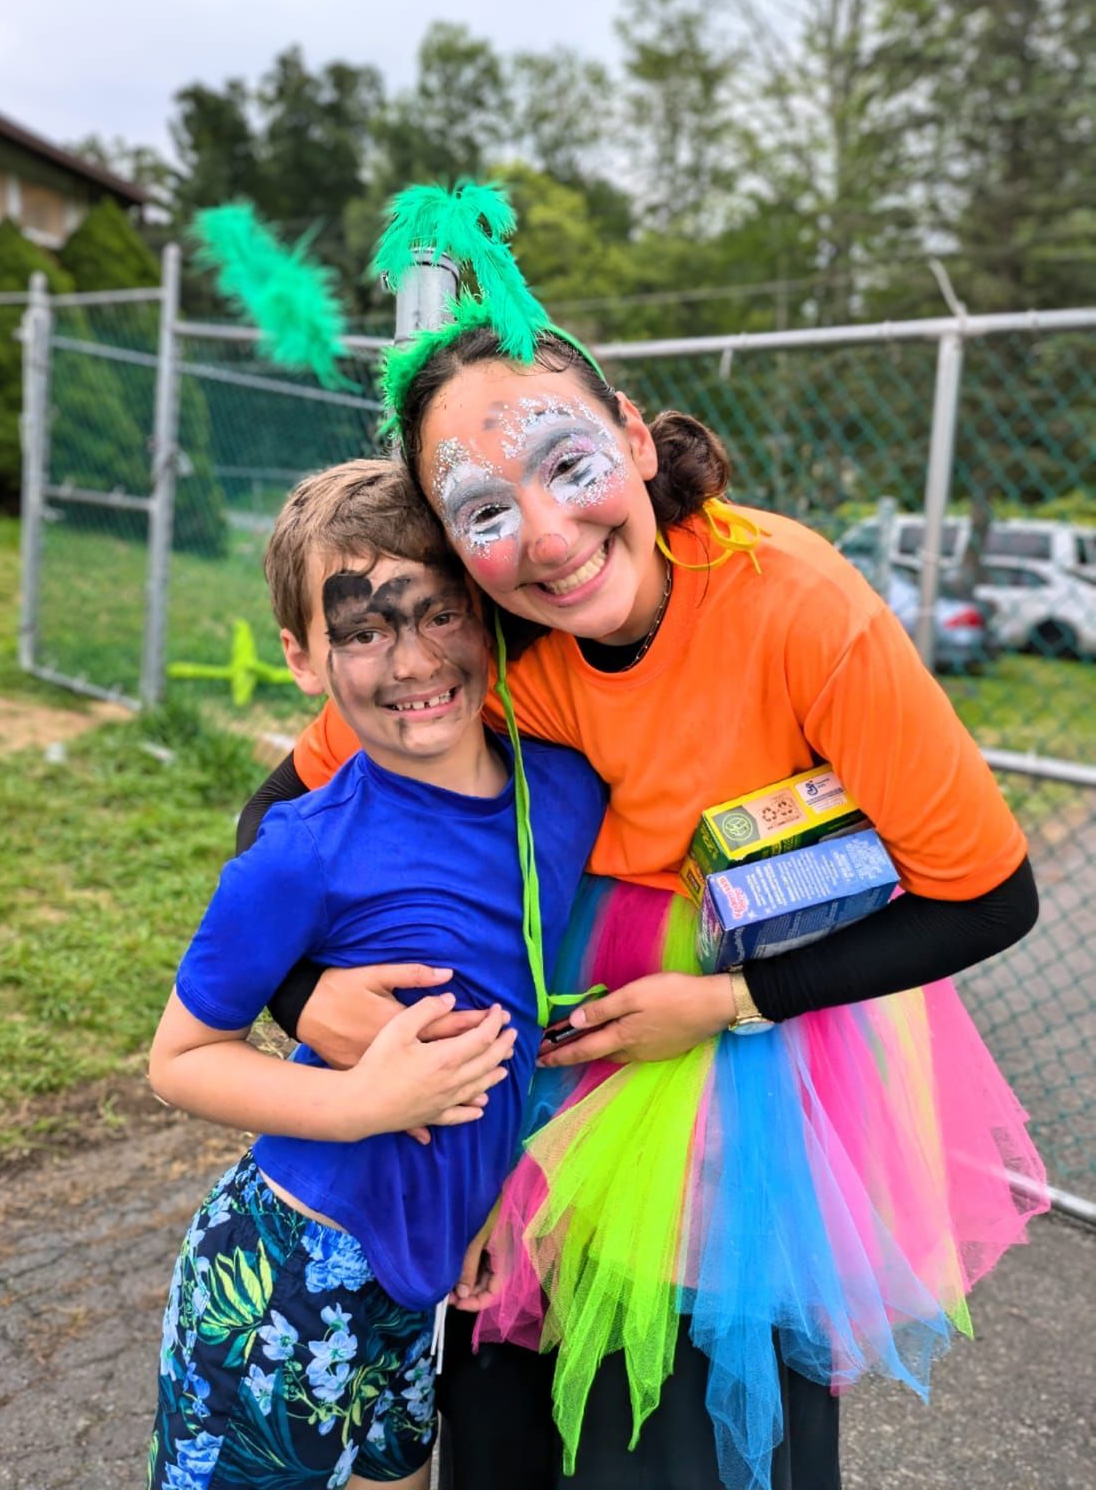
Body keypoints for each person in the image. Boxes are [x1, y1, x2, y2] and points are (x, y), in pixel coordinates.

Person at [236, 183, 1045, 1490]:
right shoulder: (488, 645)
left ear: (632, 435)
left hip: (749, 1039)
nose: (548, 539)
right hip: (545, 1022)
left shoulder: (801, 610)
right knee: (505, 1396)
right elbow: (276, 817)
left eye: (568, 466)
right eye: (484, 512)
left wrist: (725, 1004)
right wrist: (305, 995)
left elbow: (989, 896)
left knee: (691, 1426)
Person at [147, 457, 606, 1490]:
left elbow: (523, 1015)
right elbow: (179, 1058)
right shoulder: (302, 849)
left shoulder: (568, 796)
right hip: (281, 1281)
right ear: (304, 658)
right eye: (361, 629)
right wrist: (360, 1100)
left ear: (486, 612)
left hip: (419, 1291)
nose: (410, 660)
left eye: (438, 613)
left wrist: (487, 1192)